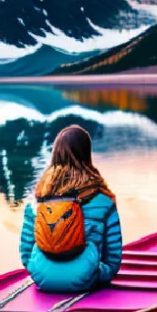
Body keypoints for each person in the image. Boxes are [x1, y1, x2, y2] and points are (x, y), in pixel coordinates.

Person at [20, 125, 122, 292]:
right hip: (88, 279)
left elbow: (26, 254)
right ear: (87, 155)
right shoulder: (103, 202)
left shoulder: (36, 202)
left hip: (41, 278)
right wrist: (95, 274)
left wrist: (44, 274)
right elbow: (112, 261)